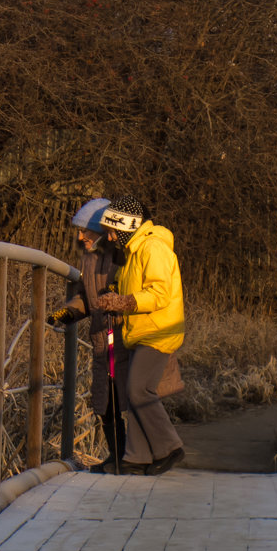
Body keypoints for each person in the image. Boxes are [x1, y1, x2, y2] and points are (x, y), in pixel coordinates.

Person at [96, 195, 185, 475]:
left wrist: (125, 302)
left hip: (158, 331)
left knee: (138, 389)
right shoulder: (132, 253)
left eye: (112, 231)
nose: (109, 237)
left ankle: (169, 447)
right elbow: (124, 285)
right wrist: (112, 296)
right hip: (142, 332)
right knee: (134, 390)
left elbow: (159, 293)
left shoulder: (153, 248)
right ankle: (137, 457)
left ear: (126, 227)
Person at [47, 197, 130, 474]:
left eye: (87, 232)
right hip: (100, 340)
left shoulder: (121, 257)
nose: (80, 237)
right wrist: (67, 314)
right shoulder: (90, 259)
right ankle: (115, 456)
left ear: (103, 231)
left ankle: (128, 456)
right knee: (104, 398)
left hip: (120, 337)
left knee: (123, 397)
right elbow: (86, 296)